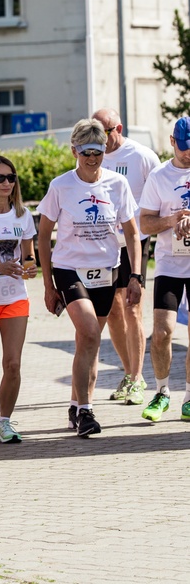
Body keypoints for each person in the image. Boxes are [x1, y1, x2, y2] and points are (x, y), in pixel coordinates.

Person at [37, 118, 142, 437]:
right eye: (86, 152)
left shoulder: (117, 184)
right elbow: (43, 237)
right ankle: (86, 412)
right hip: (70, 270)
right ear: (74, 151)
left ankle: (74, 404)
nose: (92, 158)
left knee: (88, 343)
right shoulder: (61, 186)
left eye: (97, 152)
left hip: (107, 272)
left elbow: (132, 233)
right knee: (91, 335)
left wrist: (136, 274)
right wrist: (47, 285)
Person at [91, 108, 159, 405]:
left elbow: (159, 195)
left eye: (103, 131)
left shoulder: (142, 156)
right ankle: (131, 373)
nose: (98, 139)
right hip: (104, 244)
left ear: (117, 128)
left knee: (132, 308)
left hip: (134, 241)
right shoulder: (92, 154)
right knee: (114, 311)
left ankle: (138, 378)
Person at [137, 117, 190, 422]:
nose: (188, 154)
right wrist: (171, 220)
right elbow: (145, 222)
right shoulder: (159, 176)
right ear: (172, 142)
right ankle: (161, 392)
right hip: (170, 264)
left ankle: (189, 397)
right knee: (162, 332)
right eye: (184, 148)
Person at [0, 155, 37, 443]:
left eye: (11, 177)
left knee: (13, 364)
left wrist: (29, 267)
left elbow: (29, 256)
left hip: (16, 296)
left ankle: (3, 422)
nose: (6, 183)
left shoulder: (22, 215)